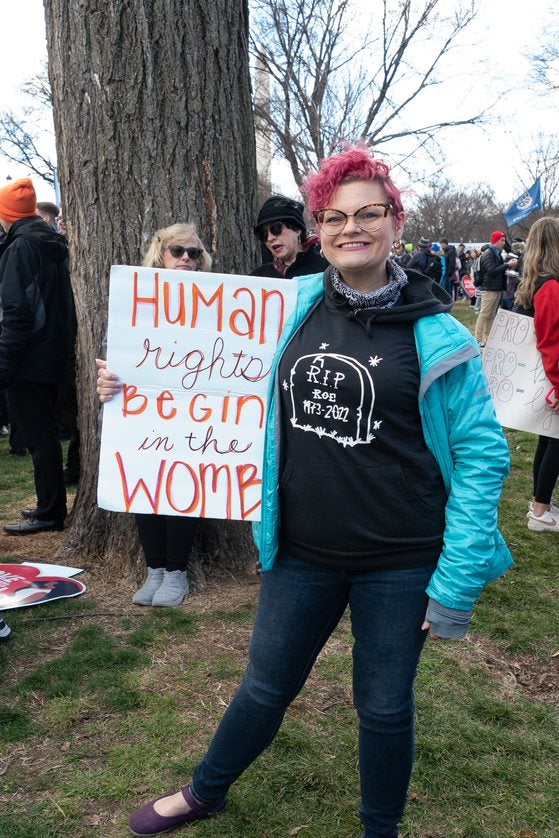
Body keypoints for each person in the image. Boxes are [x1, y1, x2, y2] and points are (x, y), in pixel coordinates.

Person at [110, 145, 513, 838]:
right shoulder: (283, 306)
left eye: (368, 214)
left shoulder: (440, 333)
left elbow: (481, 456)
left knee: (384, 707)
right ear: (317, 229)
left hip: (403, 559)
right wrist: (129, 387)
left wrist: (457, 576)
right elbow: (201, 369)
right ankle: (206, 792)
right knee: (265, 686)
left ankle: (378, 827)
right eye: (332, 216)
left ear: (395, 223)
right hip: (301, 550)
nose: (349, 228)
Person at [96, 223, 212, 606]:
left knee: (181, 484)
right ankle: (155, 569)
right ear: (160, 254)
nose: (186, 259)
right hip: (144, 410)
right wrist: (107, 380)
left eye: (194, 253)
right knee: (146, 484)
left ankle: (176, 572)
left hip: (193, 410)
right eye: (177, 251)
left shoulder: (216, 300)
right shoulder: (137, 298)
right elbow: (119, 353)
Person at [0, 178, 74, 535]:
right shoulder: (47, 243)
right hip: (52, 354)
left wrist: (4, 362)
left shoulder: (20, 249)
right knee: (44, 436)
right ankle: (50, 505)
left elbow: (17, 312)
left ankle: (50, 511)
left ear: (6, 215)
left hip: (29, 358)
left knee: (39, 438)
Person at [513, 217, 559, 533]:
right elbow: (551, 340)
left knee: (549, 439)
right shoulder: (552, 285)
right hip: (552, 380)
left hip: (546, 379)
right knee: (556, 443)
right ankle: (541, 511)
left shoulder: (536, 281)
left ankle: (539, 505)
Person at [251, 195, 328, 278]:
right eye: (263, 234)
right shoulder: (258, 278)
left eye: (276, 228)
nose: (270, 238)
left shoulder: (328, 268)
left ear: (297, 229)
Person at [474, 230, 518, 347]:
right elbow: (491, 271)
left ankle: (487, 338)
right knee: (484, 313)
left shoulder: (496, 253)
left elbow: (496, 269)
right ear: (496, 241)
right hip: (489, 289)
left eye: (504, 240)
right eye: (502, 240)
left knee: (491, 315)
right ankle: (478, 338)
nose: (504, 243)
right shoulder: (489, 253)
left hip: (496, 288)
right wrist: (508, 265)